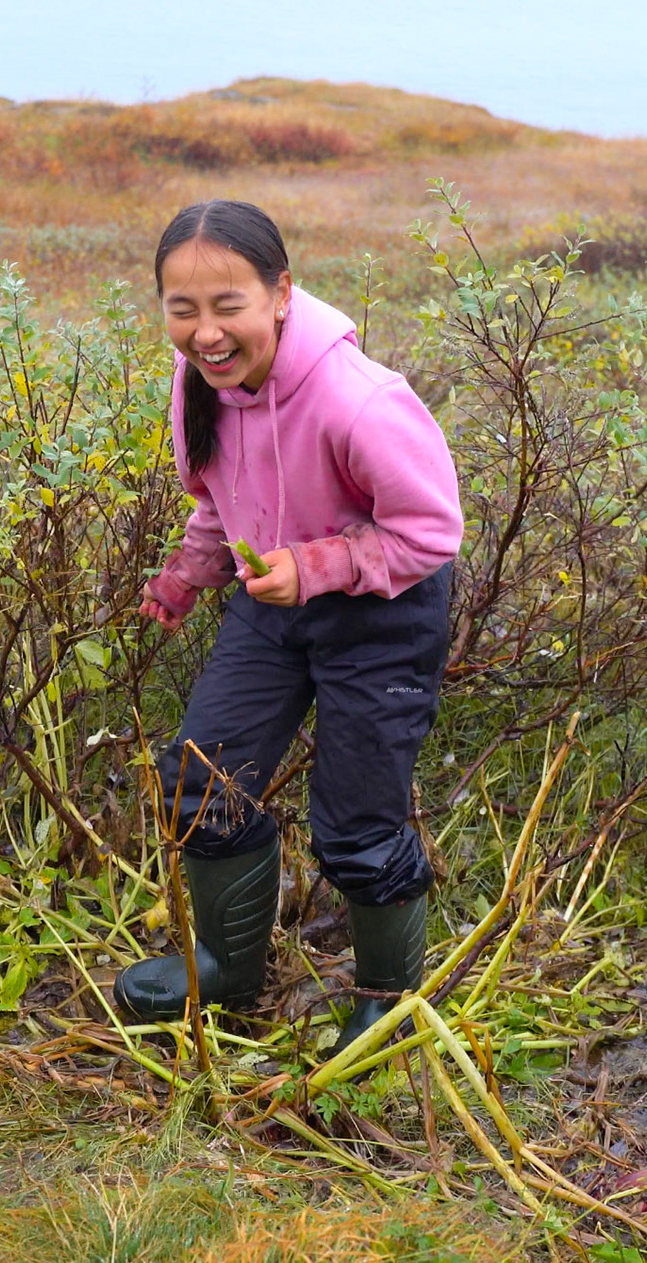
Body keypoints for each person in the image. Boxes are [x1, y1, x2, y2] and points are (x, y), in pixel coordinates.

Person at [114, 199, 462, 1054]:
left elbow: (430, 533)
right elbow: (217, 496)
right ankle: (228, 968)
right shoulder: (201, 381)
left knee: (357, 823)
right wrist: (187, 576)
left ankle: (386, 1002)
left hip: (384, 615)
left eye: (227, 304)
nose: (205, 333)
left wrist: (315, 567)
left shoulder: (358, 402)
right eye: (182, 308)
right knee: (201, 781)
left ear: (280, 294)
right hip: (273, 603)